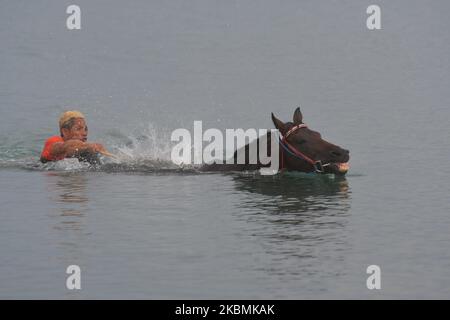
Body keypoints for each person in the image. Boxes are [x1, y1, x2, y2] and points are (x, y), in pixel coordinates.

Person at [40, 110, 110, 163]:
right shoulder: (53, 141)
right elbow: (68, 145)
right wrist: (88, 146)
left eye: (85, 129)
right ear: (65, 131)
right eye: (78, 129)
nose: (84, 133)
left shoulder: (82, 149)